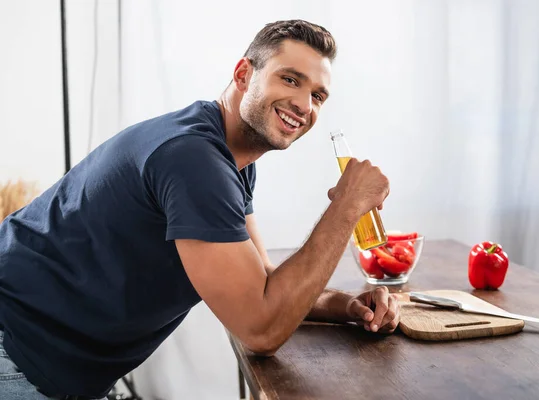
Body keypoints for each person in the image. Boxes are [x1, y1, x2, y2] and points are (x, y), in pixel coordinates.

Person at [0, 19, 399, 399]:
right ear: (244, 74)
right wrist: (346, 207)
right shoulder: (194, 160)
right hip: (16, 352)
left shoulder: (230, 160)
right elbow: (259, 329)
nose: (303, 104)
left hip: (47, 364)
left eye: (317, 95)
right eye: (290, 79)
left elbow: (263, 280)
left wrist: (345, 305)